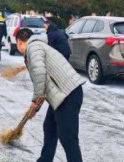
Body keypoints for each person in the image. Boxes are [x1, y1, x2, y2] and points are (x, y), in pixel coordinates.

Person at [16, 28, 86, 162]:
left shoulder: (33, 48)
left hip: (67, 94)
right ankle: (45, 159)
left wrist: (35, 102)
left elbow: (40, 73)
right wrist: (36, 106)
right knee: (49, 127)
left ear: (19, 42)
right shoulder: (37, 45)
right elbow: (46, 82)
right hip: (61, 95)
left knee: (68, 139)